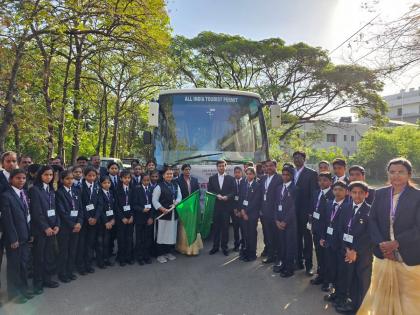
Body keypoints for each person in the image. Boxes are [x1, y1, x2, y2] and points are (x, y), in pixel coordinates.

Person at [358, 158, 420, 315]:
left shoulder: (417, 196)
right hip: (383, 254)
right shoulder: (380, 193)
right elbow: (372, 220)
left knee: (409, 300)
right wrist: (383, 245)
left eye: (401, 172)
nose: (396, 176)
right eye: (392, 172)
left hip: (409, 255)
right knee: (383, 295)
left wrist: (396, 243)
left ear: (409, 174)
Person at [334, 181, 372, 313]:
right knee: (347, 276)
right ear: (349, 193)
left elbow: (368, 236)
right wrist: (347, 249)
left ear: (366, 194)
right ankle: (348, 302)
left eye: (361, 193)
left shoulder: (370, 211)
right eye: (354, 192)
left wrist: (355, 251)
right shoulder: (345, 208)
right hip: (347, 250)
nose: (357, 196)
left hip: (361, 253)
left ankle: (358, 307)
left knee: (359, 281)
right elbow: (340, 229)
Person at [1, 169, 32, 303]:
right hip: (14, 239)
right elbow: (7, 220)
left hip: (25, 235)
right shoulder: (6, 196)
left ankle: (24, 290)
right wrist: (13, 239)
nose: (21, 181)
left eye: (24, 178)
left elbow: (28, 215)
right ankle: (14, 294)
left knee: (23, 265)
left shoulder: (24, 193)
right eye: (18, 178)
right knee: (14, 266)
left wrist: (30, 234)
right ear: (11, 180)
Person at [29, 165, 60, 294]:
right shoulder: (35, 190)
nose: (49, 177)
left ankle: (47, 279)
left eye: (51, 175)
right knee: (39, 257)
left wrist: (57, 225)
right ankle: (38, 283)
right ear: (40, 175)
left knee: (49, 256)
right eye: (46, 174)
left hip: (53, 229)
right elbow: (36, 212)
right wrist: (46, 227)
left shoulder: (52, 190)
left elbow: (55, 210)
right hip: (41, 230)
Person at [321, 180, 349, 304]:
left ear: (346, 192)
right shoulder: (329, 204)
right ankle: (335, 292)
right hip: (329, 243)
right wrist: (323, 237)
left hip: (341, 245)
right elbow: (326, 222)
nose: (337, 192)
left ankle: (342, 296)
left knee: (342, 271)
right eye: (335, 190)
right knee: (332, 268)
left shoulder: (348, 206)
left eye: (341, 190)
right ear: (332, 191)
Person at [292, 151, 318, 275]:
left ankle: (309, 265)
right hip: (292, 212)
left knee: (307, 239)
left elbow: (314, 194)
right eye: (295, 158)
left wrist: (310, 212)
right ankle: (298, 262)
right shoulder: (291, 172)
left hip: (305, 212)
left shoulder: (311, 174)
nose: (297, 160)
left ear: (304, 159)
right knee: (296, 238)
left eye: (299, 158)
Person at [55, 170, 83, 283]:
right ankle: (62, 273)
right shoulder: (59, 193)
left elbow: (80, 209)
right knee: (64, 251)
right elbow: (62, 212)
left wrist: (80, 222)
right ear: (62, 180)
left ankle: (70, 271)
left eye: (71, 178)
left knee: (73, 250)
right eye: (67, 179)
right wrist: (73, 224)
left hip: (77, 226)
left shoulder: (76, 191)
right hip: (66, 228)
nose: (70, 181)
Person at [310, 172, 334, 291]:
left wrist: (325, 235)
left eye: (325, 180)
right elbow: (313, 210)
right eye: (320, 180)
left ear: (330, 182)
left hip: (326, 232)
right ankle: (321, 274)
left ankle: (328, 280)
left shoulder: (332, 195)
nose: (322, 183)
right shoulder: (316, 193)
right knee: (319, 254)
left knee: (327, 256)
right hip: (316, 229)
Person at [152, 166, 182, 263]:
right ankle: (159, 254)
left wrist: (177, 202)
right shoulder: (159, 186)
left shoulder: (176, 185)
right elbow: (154, 200)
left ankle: (168, 252)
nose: (170, 175)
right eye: (167, 174)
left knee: (171, 235)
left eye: (171, 174)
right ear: (163, 176)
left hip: (173, 214)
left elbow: (179, 197)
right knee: (162, 235)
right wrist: (162, 209)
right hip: (163, 215)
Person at [78, 166, 103, 274]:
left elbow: (100, 204)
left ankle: (88, 264)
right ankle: (81, 266)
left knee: (90, 243)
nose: (92, 178)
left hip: (95, 220)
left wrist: (96, 217)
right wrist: (88, 217)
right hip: (85, 220)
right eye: (89, 175)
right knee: (82, 243)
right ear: (84, 175)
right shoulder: (80, 187)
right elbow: (81, 204)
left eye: (94, 175)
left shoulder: (97, 187)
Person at [207, 160, 235, 256]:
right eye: (219, 166)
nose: (221, 168)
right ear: (217, 167)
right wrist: (216, 195)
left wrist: (227, 197)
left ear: (225, 167)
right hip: (216, 207)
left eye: (223, 166)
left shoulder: (231, 179)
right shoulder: (212, 178)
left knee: (225, 228)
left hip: (226, 207)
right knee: (216, 228)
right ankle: (215, 247)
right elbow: (209, 190)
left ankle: (224, 247)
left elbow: (233, 191)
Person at [274, 165, 297, 278]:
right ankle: (283, 265)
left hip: (290, 223)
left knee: (289, 246)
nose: (285, 176)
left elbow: (293, 208)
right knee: (282, 245)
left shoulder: (295, 188)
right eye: (283, 174)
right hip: (279, 222)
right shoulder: (279, 188)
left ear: (292, 176)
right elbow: (275, 205)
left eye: (287, 174)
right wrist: (277, 220)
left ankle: (289, 269)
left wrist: (285, 221)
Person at [176, 164, 203, 256]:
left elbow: (198, 193)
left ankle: (194, 249)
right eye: (186, 170)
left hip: (193, 207)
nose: (187, 171)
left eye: (189, 169)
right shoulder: (177, 181)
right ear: (182, 171)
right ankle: (183, 248)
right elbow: (177, 195)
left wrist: (194, 202)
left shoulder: (194, 180)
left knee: (193, 226)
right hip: (183, 207)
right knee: (183, 227)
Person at [0, 151, 18, 289]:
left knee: (14, 260)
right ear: (2, 163)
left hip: (15, 225)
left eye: (13, 161)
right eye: (8, 161)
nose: (11, 163)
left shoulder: (20, 178)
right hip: (1, 225)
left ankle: (14, 290)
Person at [259, 159, 282, 263]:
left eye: (271, 166)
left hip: (275, 212)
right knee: (268, 235)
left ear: (275, 167)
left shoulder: (280, 178)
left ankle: (278, 257)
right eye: (267, 166)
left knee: (277, 236)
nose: (268, 168)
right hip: (264, 212)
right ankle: (270, 255)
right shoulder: (263, 178)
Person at [238, 167, 261, 261]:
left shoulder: (257, 185)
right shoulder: (243, 183)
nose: (248, 175)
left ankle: (252, 254)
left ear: (254, 175)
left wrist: (246, 212)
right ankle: (245, 252)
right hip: (243, 213)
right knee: (245, 234)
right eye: (247, 174)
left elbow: (255, 202)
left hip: (252, 214)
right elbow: (240, 198)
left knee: (252, 234)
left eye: (250, 174)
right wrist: (242, 211)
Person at [115, 170, 135, 266]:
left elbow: (134, 204)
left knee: (129, 238)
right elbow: (116, 206)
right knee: (121, 238)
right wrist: (122, 217)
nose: (127, 180)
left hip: (130, 217)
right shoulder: (117, 190)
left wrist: (131, 216)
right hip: (121, 218)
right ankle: (121, 257)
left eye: (128, 178)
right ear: (121, 179)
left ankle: (129, 257)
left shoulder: (133, 189)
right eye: (125, 178)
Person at [133, 174, 154, 264]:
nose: (146, 182)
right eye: (144, 180)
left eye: (148, 180)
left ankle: (146, 256)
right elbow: (134, 204)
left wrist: (151, 217)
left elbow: (154, 205)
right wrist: (142, 209)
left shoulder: (152, 189)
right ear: (141, 181)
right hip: (140, 218)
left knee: (147, 238)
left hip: (149, 218)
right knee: (139, 238)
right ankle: (139, 257)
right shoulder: (136, 190)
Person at [97, 176, 116, 267]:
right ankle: (100, 261)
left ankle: (106, 258)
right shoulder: (99, 193)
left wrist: (113, 219)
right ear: (101, 184)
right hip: (102, 222)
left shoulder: (111, 193)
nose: (107, 184)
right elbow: (100, 209)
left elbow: (114, 207)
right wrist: (106, 222)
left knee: (107, 242)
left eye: (108, 183)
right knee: (101, 242)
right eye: (104, 183)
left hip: (110, 220)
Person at [232, 166, 244, 252]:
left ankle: (244, 244)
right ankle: (236, 245)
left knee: (243, 229)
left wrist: (241, 210)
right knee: (235, 229)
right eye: (235, 172)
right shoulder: (231, 182)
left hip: (243, 210)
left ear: (241, 173)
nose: (237, 174)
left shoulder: (245, 182)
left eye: (238, 172)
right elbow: (231, 196)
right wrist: (235, 209)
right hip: (234, 210)